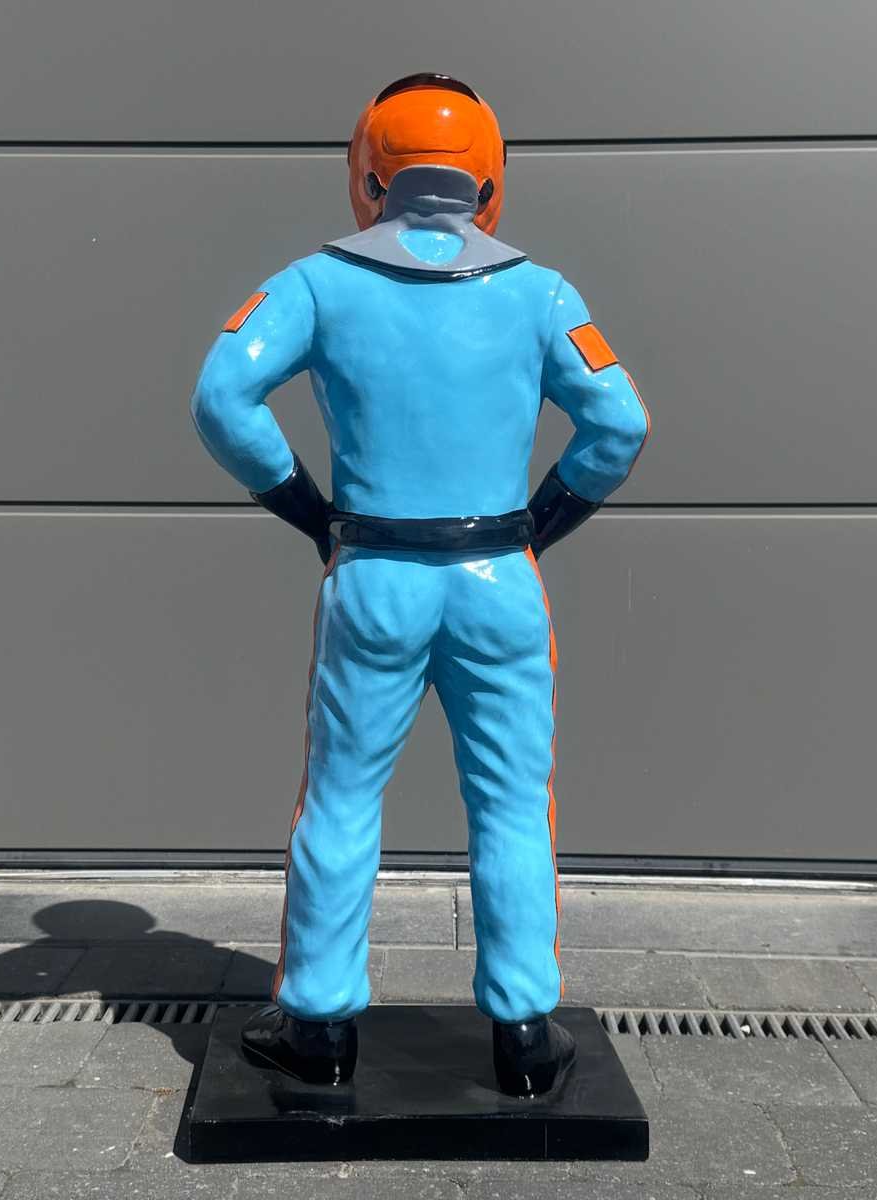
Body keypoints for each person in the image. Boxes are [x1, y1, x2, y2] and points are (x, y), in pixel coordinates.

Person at [189, 73, 647, 1097]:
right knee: (514, 803)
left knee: (342, 797)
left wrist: (307, 509)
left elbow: (223, 396)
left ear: (367, 173)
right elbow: (620, 422)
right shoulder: (540, 292)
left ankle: (318, 1025)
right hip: (498, 576)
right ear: (489, 177)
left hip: (376, 571)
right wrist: (542, 521)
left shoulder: (317, 282)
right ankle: (523, 1031)